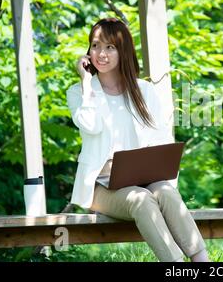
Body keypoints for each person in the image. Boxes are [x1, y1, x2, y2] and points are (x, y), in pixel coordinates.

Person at [66, 18, 209, 262]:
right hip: (101, 188)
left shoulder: (144, 91)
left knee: (166, 192)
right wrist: (87, 82)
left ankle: (202, 262)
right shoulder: (79, 92)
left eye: (110, 47)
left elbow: (161, 141)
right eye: (95, 46)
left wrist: (157, 173)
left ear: (123, 51)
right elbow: (90, 125)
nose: (101, 53)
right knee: (141, 200)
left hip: (144, 180)